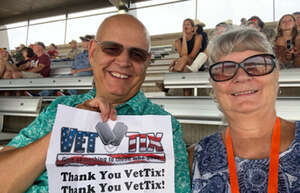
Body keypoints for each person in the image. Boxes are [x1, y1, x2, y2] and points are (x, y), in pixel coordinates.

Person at [0, 14, 191, 193]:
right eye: (111, 49)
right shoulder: (60, 109)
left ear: (147, 62)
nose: (124, 61)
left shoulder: (164, 125)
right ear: (92, 52)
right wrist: (64, 128)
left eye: (137, 54)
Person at [191, 27, 300, 192]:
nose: (241, 77)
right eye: (225, 70)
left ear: (276, 75)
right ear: (213, 85)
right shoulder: (192, 160)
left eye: (256, 65)